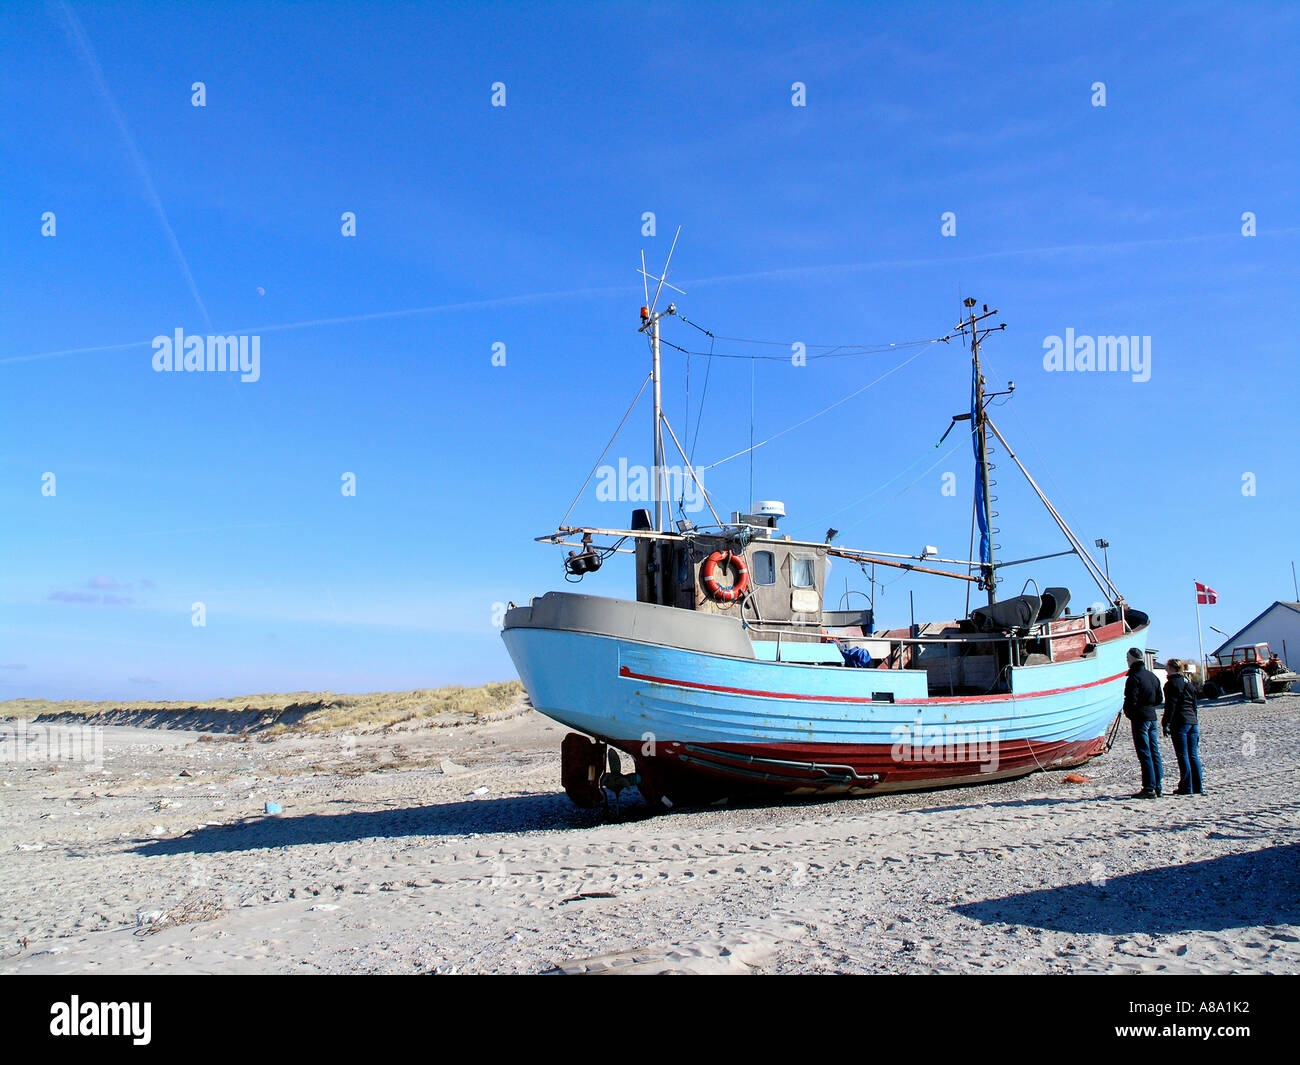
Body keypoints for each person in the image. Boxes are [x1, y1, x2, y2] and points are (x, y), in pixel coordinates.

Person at [1122, 647, 1163, 798]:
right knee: (1154, 752)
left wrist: (1130, 714)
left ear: (1132, 659)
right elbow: (1159, 699)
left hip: (1140, 718)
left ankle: (1149, 787)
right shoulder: (1152, 677)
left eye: (1127, 658)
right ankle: (1158, 785)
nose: (1127, 661)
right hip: (1152, 716)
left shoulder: (1134, 678)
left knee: (1144, 753)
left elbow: (1130, 700)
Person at [1162, 659, 1203, 795]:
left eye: (1167, 667)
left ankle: (1186, 786)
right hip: (1192, 721)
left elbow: (1170, 706)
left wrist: (1166, 722)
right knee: (1193, 755)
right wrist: (1195, 719)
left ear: (1172, 669)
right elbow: (1194, 705)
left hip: (1180, 722)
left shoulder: (1171, 684)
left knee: (1183, 755)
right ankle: (1198, 786)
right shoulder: (1188, 683)